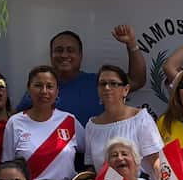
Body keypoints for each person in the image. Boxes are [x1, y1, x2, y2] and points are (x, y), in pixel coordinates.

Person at [16, 27, 146, 123]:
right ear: (51, 55)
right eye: (59, 50)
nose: (64, 55)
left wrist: (131, 44)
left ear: (80, 56)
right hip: (56, 157)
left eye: (70, 50)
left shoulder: (98, 83)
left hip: (96, 155)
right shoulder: (40, 89)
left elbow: (137, 80)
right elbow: (18, 120)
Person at [2, 66, 82, 180]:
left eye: (49, 86)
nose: (44, 91)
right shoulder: (14, 123)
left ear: (57, 91)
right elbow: (6, 166)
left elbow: (90, 157)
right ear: (28, 89)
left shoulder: (69, 120)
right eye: (38, 85)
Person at [83, 63, 164, 174]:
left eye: (113, 83)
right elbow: (91, 167)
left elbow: (156, 159)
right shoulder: (91, 126)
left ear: (125, 90)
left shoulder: (141, 118)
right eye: (102, 84)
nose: (107, 87)